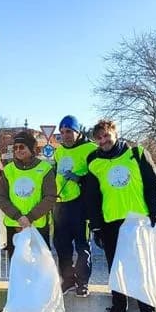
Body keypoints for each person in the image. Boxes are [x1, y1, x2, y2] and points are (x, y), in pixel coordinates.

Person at [84, 119, 156, 312]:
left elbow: (153, 183)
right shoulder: (93, 161)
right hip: (110, 223)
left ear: (115, 133)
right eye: (99, 138)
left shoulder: (136, 154)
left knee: (141, 268)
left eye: (106, 136)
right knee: (116, 269)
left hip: (137, 222)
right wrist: (96, 226)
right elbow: (92, 197)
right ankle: (119, 309)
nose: (103, 141)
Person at [52, 115, 97, 298]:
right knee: (62, 246)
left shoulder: (91, 149)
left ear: (78, 132)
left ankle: (83, 282)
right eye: (62, 132)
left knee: (82, 246)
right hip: (60, 204)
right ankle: (68, 280)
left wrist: (80, 178)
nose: (65, 136)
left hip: (80, 206)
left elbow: (97, 178)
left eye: (69, 131)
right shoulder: (59, 151)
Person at [0, 130, 56, 258]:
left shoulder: (45, 169)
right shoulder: (8, 170)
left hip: (37, 226)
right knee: (17, 266)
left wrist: (30, 217)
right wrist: (18, 216)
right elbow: (1, 197)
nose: (18, 150)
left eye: (22, 146)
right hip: (14, 225)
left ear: (31, 148)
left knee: (39, 266)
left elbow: (50, 197)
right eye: (15, 147)